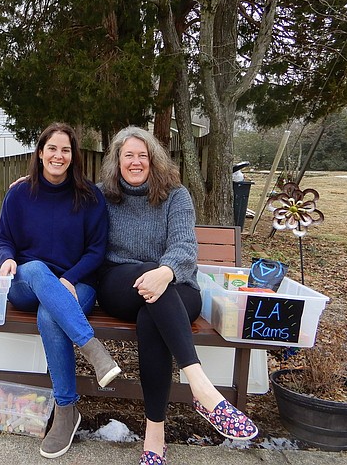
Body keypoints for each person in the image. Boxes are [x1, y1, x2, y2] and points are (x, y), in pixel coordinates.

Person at [96, 126, 258, 465]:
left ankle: (155, 435)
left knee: (152, 314)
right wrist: (27, 184)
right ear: (117, 161)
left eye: (143, 155)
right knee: (148, 287)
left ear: (154, 159)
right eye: (129, 155)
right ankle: (202, 388)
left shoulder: (176, 194)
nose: (136, 162)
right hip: (118, 284)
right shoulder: (102, 195)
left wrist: (164, 272)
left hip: (174, 283)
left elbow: (185, 247)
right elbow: (61, 192)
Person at [0, 123, 121, 459]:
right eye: (52, 148)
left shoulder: (89, 196)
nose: (58, 155)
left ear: (73, 156)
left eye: (65, 150)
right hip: (26, 283)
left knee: (51, 313)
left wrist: (71, 277)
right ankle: (92, 347)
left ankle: (66, 412)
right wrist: (7, 259)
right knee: (36, 267)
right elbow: (4, 238)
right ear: (40, 152)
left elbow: (96, 250)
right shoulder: (20, 194)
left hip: (77, 283)